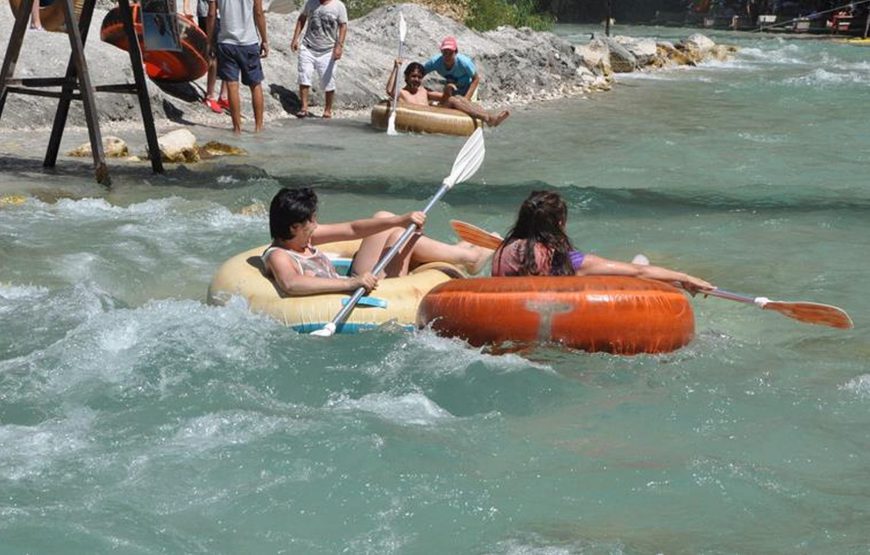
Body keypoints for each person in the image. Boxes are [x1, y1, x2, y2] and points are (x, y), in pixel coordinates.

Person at [262, 187, 492, 296]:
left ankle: (464, 255)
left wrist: (400, 219)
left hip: (356, 279)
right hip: (358, 291)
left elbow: (352, 229)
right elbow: (291, 284)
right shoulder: (280, 255)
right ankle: (468, 257)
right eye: (312, 219)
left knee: (385, 219)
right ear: (294, 227)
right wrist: (351, 284)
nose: (316, 222)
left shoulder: (305, 237)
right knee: (400, 237)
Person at [491, 190, 714, 293]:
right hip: (556, 323)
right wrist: (684, 277)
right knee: (639, 264)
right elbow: (637, 273)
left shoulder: (503, 252)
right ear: (560, 223)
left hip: (508, 323)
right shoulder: (566, 260)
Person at [385, 60, 510, 127]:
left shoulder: (423, 91)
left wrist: (447, 90)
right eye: (413, 76)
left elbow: (445, 98)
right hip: (419, 119)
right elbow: (390, 90)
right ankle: (488, 119)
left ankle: (488, 116)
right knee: (453, 100)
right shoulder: (401, 93)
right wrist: (395, 67)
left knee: (458, 98)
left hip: (433, 115)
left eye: (419, 77)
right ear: (406, 77)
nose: (416, 80)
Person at [206, 0, 268, 134]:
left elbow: (211, 14)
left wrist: (209, 41)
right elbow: (258, 12)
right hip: (249, 42)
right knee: (255, 84)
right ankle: (258, 128)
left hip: (226, 42)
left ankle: (237, 129)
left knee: (232, 85)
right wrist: (265, 40)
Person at [290, 0, 348, 119]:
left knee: (328, 81)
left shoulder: (338, 6)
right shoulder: (310, 3)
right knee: (304, 75)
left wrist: (340, 46)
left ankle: (327, 110)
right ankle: (304, 108)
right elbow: (302, 18)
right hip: (308, 46)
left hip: (328, 49)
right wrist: (295, 38)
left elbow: (343, 26)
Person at [184, 0, 229, 113]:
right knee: (213, 54)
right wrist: (186, 6)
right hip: (208, 13)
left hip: (227, 14)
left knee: (228, 52)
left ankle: (224, 96)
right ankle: (210, 96)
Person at [422, 36, 480, 104]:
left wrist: (466, 99)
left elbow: (476, 79)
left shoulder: (465, 63)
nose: (447, 56)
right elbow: (421, 72)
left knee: (467, 108)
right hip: (453, 88)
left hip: (469, 86)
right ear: (441, 52)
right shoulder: (435, 62)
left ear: (456, 52)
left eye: (450, 53)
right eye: (445, 53)